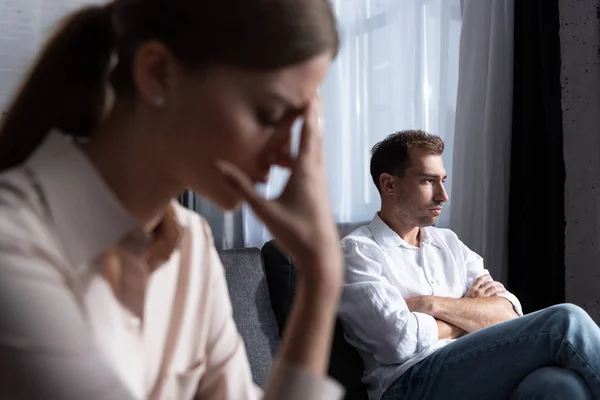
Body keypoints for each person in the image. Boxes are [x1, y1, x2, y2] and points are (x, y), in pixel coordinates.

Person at [0, 1, 346, 399]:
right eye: (269, 114)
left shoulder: (193, 244)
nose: (289, 155)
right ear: (157, 73)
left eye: (300, 124)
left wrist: (321, 274)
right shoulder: (13, 246)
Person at [339, 130, 600, 400]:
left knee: (558, 384)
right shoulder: (358, 252)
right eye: (428, 181)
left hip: (472, 369)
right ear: (389, 185)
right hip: (408, 384)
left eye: (442, 181)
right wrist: (469, 313)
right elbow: (398, 343)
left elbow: (508, 314)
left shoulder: (449, 243)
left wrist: (430, 304)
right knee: (565, 321)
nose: (443, 196)